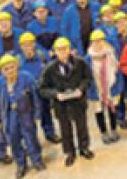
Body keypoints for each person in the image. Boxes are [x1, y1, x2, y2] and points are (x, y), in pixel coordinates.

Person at [38, 37, 93, 167]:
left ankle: (84, 148)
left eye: (65, 49)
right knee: (65, 129)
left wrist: (81, 89)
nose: (63, 52)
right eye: (59, 50)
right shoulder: (49, 69)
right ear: (55, 52)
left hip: (78, 101)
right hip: (61, 105)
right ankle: (69, 152)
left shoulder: (80, 63)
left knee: (82, 126)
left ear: (70, 49)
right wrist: (56, 95)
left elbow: (87, 78)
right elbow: (42, 88)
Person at [0, 54, 45, 177]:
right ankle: (21, 164)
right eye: (6, 69)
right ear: (1, 71)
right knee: (14, 140)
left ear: (17, 66)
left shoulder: (26, 78)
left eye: (12, 67)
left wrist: (37, 113)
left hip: (26, 114)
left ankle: (37, 160)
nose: (10, 71)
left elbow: (35, 97)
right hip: (10, 116)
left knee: (31, 138)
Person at [16, 32, 60, 144]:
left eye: (30, 44)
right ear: (21, 46)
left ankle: (50, 133)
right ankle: (31, 138)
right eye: (25, 45)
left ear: (34, 44)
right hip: (27, 94)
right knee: (28, 117)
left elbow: (52, 69)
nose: (28, 47)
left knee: (46, 112)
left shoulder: (42, 55)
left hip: (42, 90)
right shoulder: (18, 61)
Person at [85, 29, 123, 144]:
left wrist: (118, 88)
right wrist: (90, 92)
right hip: (96, 89)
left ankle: (113, 129)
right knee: (99, 111)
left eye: (100, 40)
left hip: (111, 88)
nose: (98, 43)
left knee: (112, 109)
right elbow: (85, 76)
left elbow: (118, 72)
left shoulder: (111, 54)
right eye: (95, 41)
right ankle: (104, 132)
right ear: (92, 43)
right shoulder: (88, 59)